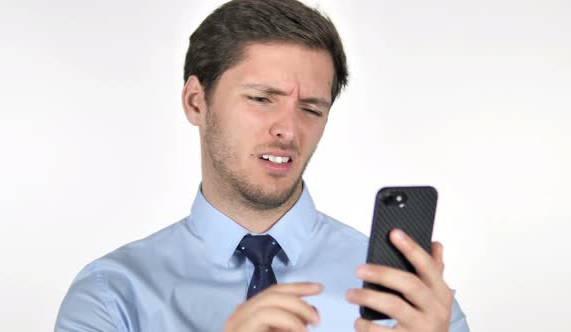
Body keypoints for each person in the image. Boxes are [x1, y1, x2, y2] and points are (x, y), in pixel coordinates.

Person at [55, 0, 469, 331]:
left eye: (311, 108)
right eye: (261, 99)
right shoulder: (111, 298)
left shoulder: (412, 301)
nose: (288, 130)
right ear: (196, 102)